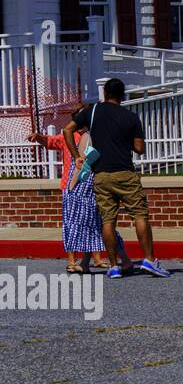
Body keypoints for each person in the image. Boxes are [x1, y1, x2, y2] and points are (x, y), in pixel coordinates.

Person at [65, 79, 170, 279]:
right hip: (125, 172)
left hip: (101, 175)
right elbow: (139, 148)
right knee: (139, 215)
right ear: (122, 95)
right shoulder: (130, 117)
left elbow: (67, 129)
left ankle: (113, 266)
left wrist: (76, 156)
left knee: (108, 220)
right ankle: (149, 259)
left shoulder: (92, 111)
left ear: (105, 93)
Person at [27, 108, 112, 273]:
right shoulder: (69, 136)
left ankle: (96, 258)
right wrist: (39, 137)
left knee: (93, 222)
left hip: (91, 186)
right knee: (71, 224)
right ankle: (72, 261)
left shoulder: (95, 135)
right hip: (71, 186)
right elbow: (51, 141)